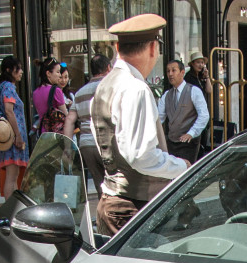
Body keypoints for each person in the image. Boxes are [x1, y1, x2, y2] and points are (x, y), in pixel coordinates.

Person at [90, 13, 189, 234]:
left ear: (117, 47)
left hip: (112, 202)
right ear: (153, 48)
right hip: (131, 207)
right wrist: (182, 167)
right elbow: (140, 156)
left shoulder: (105, 85)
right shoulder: (135, 88)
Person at [63, 54, 111, 191]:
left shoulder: (79, 93)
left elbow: (70, 120)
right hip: (106, 143)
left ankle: (103, 211)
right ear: (108, 68)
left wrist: (68, 147)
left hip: (86, 144)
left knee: (99, 184)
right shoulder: (110, 88)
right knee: (114, 185)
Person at [157, 59, 209, 163]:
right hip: (171, 141)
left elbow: (204, 115)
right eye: (168, 71)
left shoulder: (194, 91)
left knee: (186, 172)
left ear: (182, 72)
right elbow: (158, 118)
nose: (170, 74)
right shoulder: (166, 95)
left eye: (173, 70)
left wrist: (191, 133)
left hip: (189, 142)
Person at [0, 56, 29, 197]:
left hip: (8, 136)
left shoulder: (2, 87)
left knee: (13, 176)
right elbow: (9, 111)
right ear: (9, 70)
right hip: (13, 138)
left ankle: (12, 211)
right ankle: (11, 212)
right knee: (12, 176)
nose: (21, 71)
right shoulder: (8, 87)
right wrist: (18, 135)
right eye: (18, 68)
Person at [34, 57, 68, 135]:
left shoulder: (36, 92)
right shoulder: (56, 90)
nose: (60, 75)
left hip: (43, 134)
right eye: (58, 72)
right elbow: (66, 115)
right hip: (56, 134)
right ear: (48, 73)